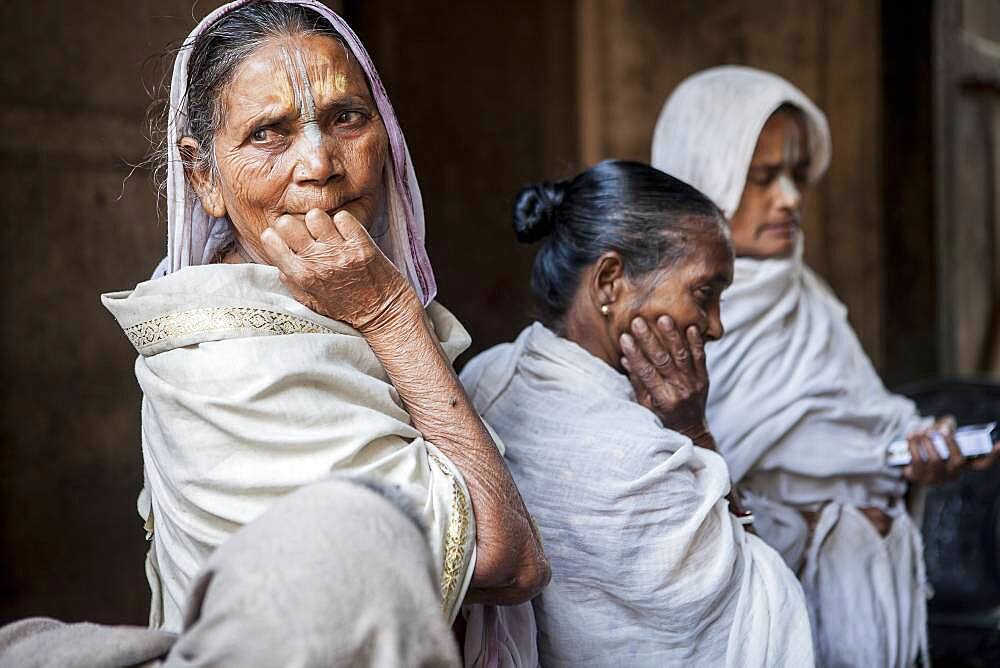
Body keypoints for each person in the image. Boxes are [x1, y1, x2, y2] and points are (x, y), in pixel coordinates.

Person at [97, 0, 546, 640]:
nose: (320, 165)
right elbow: (508, 558)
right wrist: (387, 314)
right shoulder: (221, 358)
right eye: (269, 133)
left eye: (346, 119)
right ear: (204, 176)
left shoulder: (358, 307)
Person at [651, 65, 1000, 667]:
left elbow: (866, 421)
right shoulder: (662, 314)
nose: (790, 197)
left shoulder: (807, 300)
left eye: (797, 174)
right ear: (702, 178)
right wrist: (811, 527)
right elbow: (674, 511)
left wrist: (919, 448)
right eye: (763, 177)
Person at [460, 160, 814, 666]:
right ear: (609, 282)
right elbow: (763, 607)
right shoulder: (638, 456)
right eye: (704, 294)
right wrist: (693, 431)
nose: (715, 327)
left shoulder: (487, 375)